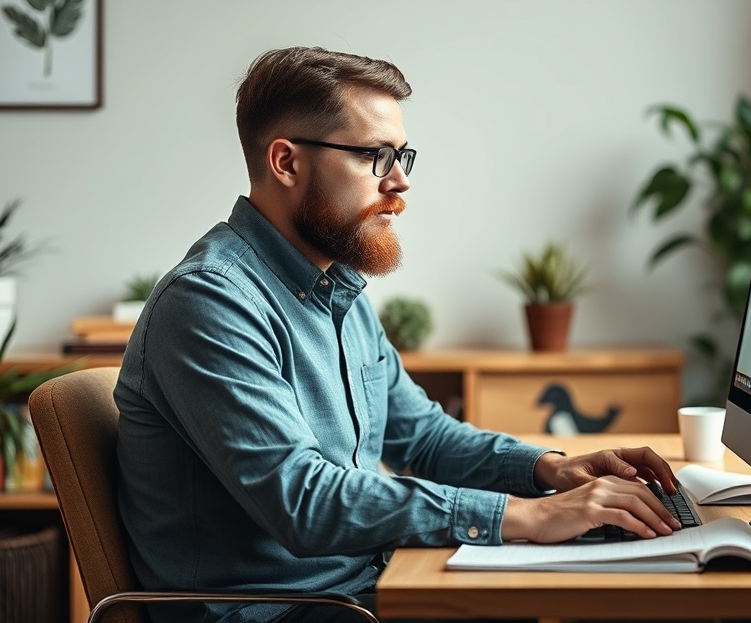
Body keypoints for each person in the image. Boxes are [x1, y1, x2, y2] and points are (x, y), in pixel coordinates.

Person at [114, 46, 682, 623]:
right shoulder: (210, 302)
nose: (401, 180)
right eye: (374, 156)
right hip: (280, 611)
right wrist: (525, 516)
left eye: (402, 154)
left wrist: (548, 470)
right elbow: (302, 500)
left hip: (363, 585)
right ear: (286, 162)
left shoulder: (337, 287)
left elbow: (423, 437)